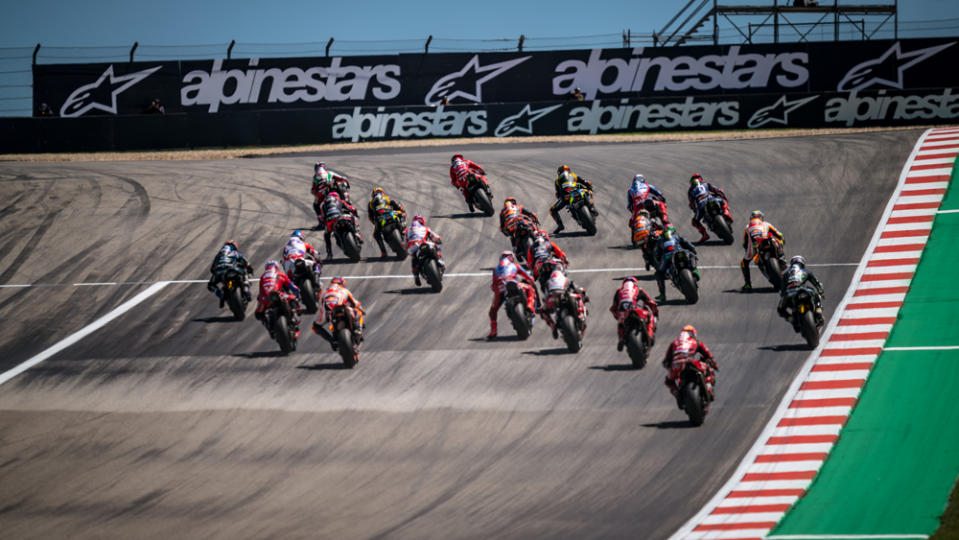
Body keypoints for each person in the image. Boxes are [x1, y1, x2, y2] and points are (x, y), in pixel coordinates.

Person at [662, 325, 718, 407]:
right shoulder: (696, 342)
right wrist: (715, 365)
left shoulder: (674, 343)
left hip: (677, 365)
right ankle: (709, 388)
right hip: (691, 362)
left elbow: (665, 362)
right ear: (693, 334)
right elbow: (709, 355)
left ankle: (677, 394)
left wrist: (671, 367)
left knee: (669, 382)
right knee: (709, 368)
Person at [487, 250, 538, 339]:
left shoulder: (496, 269)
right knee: (530, 289)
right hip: (514, 284)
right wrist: (532, 280)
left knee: (493, 311)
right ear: (512, 258)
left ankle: (493, 331)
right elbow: (528, 277)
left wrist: (496, 290)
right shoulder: (515, 265)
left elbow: (493, 285)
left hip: (500, 288)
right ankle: (530, 306)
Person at [312, 276, 366, 349]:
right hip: (343, 309)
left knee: (315, 326)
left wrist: (326, 315)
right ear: (342, 283)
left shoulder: (324, 293)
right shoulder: (344, 290)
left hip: (329, 312)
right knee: (357, 311)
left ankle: (331, 340)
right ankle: (357, 329)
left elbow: (321, 308)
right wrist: (362, 311)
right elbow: (356, 303)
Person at [254, 260, 301, 336]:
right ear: (276, 267)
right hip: (278, 295)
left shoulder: (262, 277)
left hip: (265, 299)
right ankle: (295, 315)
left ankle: (269, 326)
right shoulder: (281, 274)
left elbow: (260, 293)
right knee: (293, 299)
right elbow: (293, 287)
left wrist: (261, 302)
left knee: (259, 314)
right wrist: (297, 293)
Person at [609, 277, 658, 351]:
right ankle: (650, 334)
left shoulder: (619, 291)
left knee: (620, 323)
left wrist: (618, 317)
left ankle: (621, 338)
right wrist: (656, 313)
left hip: (623, 312)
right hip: (634, 310)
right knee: (650, 316)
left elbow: (613, 308)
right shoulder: (638, 290)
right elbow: (651, 302)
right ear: (635, 284)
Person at [740, 210, 785, 291]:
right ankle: (782, 258)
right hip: (768, 242)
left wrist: (746, 249)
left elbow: (745, 242)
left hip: (755, 246)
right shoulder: (766, 224)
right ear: (761, 218)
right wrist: (782, 240)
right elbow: (778, 234)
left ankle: (747, 284)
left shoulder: (747, 227)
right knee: (779, 240)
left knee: (744, 263)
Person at [777, 256, 826, 328]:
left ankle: (791, 319)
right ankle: (818, 312)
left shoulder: (785, 274)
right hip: (803, 290)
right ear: (802, 264)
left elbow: (781, 290)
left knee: (780, 309)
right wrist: (821, 293)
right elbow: (817, 284)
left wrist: (784, 297)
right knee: (815, 294)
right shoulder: (806, 271)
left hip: (789, 293)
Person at [652, 227, 698, 302]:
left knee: (659, 273)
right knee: (692, 255)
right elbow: (688, 244)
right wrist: (693, 249)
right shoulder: (677, 237)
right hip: (681, 251)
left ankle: (662, 295)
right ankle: (695, 271)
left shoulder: (660, 241)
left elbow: (656, 254)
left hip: (667, 256)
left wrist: (657, 259)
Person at [550, 164, 598, 234]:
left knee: (552, 210)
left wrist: (561, 198)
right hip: (578, 192)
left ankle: (560, 226)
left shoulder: (557, 180)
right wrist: (590, 188)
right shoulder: (573, 175)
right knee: (588, 192)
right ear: (569, 170)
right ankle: (592, 208)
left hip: (566, 197)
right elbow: (587, 182)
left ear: (559, 172)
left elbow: (558, 195)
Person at [207, 240, 254, 307]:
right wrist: (250, 268)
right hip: (232, 269)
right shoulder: (235, 252)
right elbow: (245, 262)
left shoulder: (218, 255)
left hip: (219, 272)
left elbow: (212, 269)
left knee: (211, 285)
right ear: (234, 246)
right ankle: (246, 289)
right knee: (244, 270)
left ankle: (220, 294)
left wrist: (217, 272)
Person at [687, 174, 732, 243]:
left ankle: (704, 235)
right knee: (723, 202)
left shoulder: (690, 190)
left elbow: (692, 204)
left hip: (701, 203)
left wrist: (695, 210)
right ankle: (727, 213)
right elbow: (718, 190)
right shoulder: (706, 184)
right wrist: (724, 198)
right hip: (712, 198)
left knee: (695, 221)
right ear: (700, 179)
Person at [405, 214, 445, 287]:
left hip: (412, 247)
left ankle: (416, 277)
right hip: (423, 243)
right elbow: (436, 237)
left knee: (414, 258)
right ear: (422, 221)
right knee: (436, 246)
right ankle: (440, 262)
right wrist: (438, 240)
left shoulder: (407, 229)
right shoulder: (425, 228)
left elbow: (405, 242)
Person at [321, 192, 362, 260]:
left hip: (331, 221)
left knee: (326, 235)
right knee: (352, 216)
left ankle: (329, 255)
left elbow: (323, 217)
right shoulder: (340, 200)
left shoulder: (323, 204)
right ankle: (356, 233)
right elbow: (352, 209)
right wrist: (356, 213)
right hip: (341, 217)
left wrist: (324, 223)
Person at [367, 187, 406, 258]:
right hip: (391, 214)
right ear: (382, 192)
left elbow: (370, 217)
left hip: (380, 219)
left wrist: (375, 222)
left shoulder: (370, 202)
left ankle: (383, 252)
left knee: (376, 235)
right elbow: (395, 205)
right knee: (402, 214)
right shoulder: (386, 198)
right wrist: (401, 211)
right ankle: (403, 230)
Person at [312, 162, 352, 227]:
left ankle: (321, 221)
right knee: (316, 205)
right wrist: (347, 184)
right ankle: (348, 206)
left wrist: (316, 192)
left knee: (315, 205)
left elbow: (312, 190)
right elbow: (343, 178)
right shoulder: (329, 173)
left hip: (324, 191)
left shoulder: (315, 177)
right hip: (329, 190)